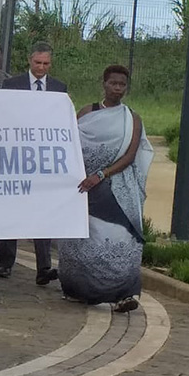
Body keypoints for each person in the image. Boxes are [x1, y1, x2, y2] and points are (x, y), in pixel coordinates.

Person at [60, 65, 152, 313]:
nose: (118, 89)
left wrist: (101, 174)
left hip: (114, 188)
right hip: (83, 188)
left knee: (120, 238)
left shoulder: (131, 118)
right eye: (114, 84)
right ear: (104, 83)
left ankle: (124, 294)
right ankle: (79, 289)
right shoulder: (87, 112)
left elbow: (131, 155)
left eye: (122, 85)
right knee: (83, 240)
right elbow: (66, 141)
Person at [0, 41, 67, 284]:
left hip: (43, 159)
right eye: (38, 63)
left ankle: (44, 267)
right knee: (11, 210)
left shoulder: (59, 88)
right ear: (30, 60)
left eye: (46, 64)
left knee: (42, 211)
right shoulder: (11, 85)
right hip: (15, 156)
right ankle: (5, 263)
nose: (41, 68)